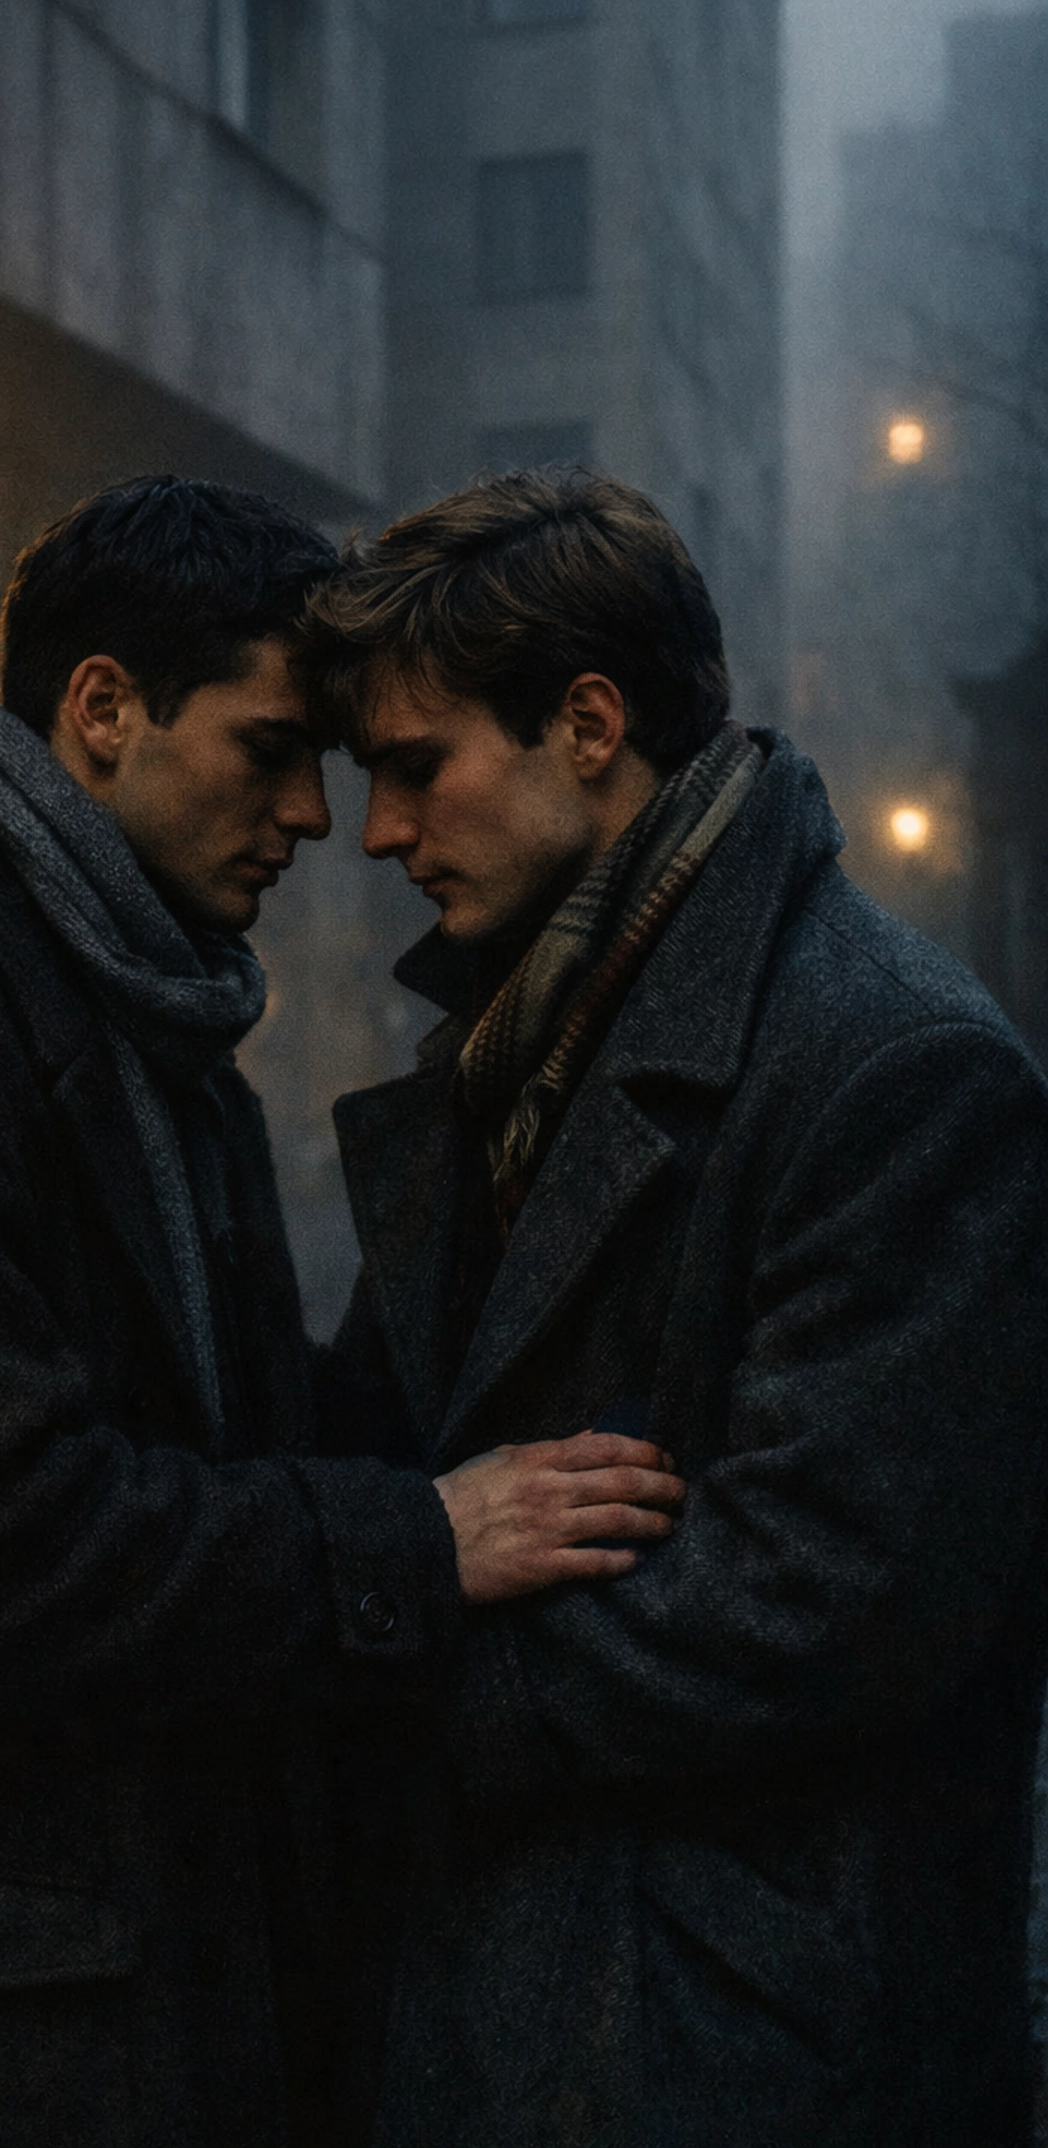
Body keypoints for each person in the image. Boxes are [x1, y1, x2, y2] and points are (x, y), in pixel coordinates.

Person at [0, 474, 681, 2148]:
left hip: (99, 2012)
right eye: (271, 750)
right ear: (102, 711)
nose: (319, 819)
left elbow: (244, 1446)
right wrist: (416, 1542)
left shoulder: (145, 1019)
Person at [302, 468, 1048, 2148]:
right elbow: (382, 1450)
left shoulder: (896, 1068)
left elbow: (821, 1601)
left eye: (416, 769)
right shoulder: (516, 1040)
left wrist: (387, 1689)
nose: (379, 835)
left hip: (731, 2049)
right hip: (503, 2013)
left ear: (587, 724)